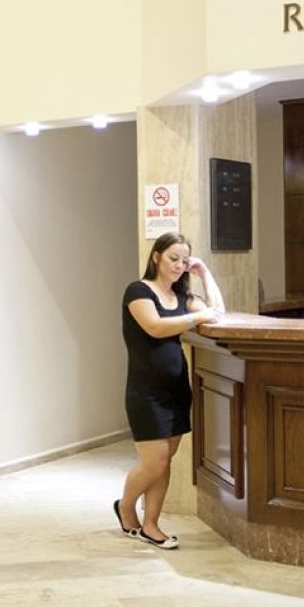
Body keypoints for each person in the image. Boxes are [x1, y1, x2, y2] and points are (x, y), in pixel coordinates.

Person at [115, 232, 224, 549]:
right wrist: (197, 317)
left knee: (165, 461)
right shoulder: (138, 291)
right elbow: (155, 327)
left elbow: (218, 312)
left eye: (184, 260)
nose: (179, 265)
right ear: (156, 257)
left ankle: (151, 524)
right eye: (173, 258)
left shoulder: (182, 296)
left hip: (176, 390)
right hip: (145, 392)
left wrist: (204, 273)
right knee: (154, 463)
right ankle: (125, 506)